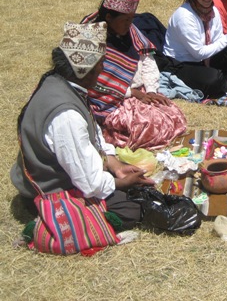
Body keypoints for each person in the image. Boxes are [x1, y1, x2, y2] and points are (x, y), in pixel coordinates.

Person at [10, 22, 154, 229]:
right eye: (101, 63)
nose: (103, 69)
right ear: (84, 69)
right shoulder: (66, 115)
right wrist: (120, 182)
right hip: (47, 192)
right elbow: (89, 184)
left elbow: (93, 132)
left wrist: (114, 164)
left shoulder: (58, 81)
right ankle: (53, 220)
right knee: (130, 209)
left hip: (57, 177)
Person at [82, 0, 187, 150]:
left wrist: (152, 91)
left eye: (131, 19)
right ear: (109, 18)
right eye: (125, 20)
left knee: (172, 115)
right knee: (147, 127)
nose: (129, 24)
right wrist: (132, 93)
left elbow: (147, 59)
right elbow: (91, 83)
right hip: (109, 100)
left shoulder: (130, 31)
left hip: (140, 92)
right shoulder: (90, 39)